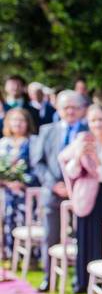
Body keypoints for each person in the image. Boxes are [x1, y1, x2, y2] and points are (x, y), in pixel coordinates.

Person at [59, 104, 102, 293]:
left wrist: (98, 166)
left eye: (100, 119)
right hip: (86, 198)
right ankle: (86, 284)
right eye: (93, 120)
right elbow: (71, 171)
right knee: (87, 240)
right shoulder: (82, 141)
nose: (97, 124)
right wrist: (78, 156)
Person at [30, 90, 87, 292]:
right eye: (66, 107)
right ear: (58, 109)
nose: (70, 111)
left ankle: (79, 280)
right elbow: (38, 161)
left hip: (81, 193)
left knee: (82, 236)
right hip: (52, 191)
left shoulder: (88, 130)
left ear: (82, 109)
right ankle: (49, 277)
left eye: (74, 107)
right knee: (50, 235)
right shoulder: (47, 130)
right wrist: (52, 184)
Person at [1, 107, 38, 254]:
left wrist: (24, 182)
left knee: (26, 219)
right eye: (14, 120)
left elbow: (37, 166)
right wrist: (6, 182)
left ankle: (29, 255)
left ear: (27, 123)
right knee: (6, 219)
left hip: (27, 191)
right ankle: (8, 253)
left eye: (21, 120)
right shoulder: (3, 143)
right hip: (5, 190)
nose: (18, 123)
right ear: (8, 123)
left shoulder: (33, 142)